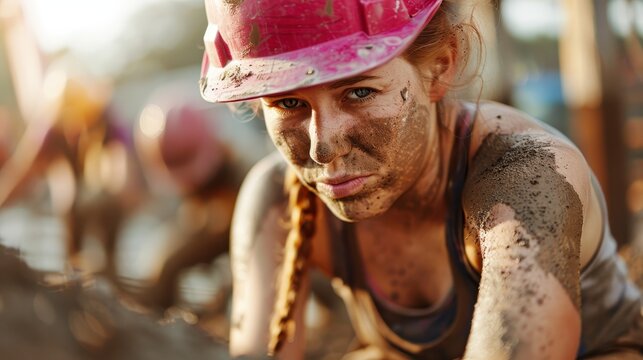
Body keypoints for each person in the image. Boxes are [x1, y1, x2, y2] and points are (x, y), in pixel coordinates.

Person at [199, 0, 643, 359]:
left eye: (359, 92)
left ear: (440, 66)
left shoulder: (527, 173)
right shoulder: (277, 198)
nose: (323, 147)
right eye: (289, 104)